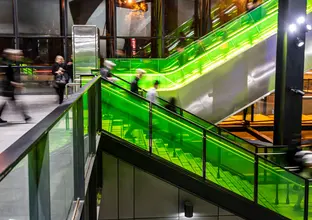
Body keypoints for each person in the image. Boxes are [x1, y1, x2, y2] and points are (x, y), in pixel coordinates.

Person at [0, 49, 31, 125]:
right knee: (13, 102)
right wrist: (17, 84)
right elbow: (6, 78)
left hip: (9, 87)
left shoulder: (10, 64)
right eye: (17, 55)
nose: (19, 57)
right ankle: (25, 116)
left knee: (11, 102)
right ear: (11, 55)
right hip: (7, 87)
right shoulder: (6, 64)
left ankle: (25, 116)